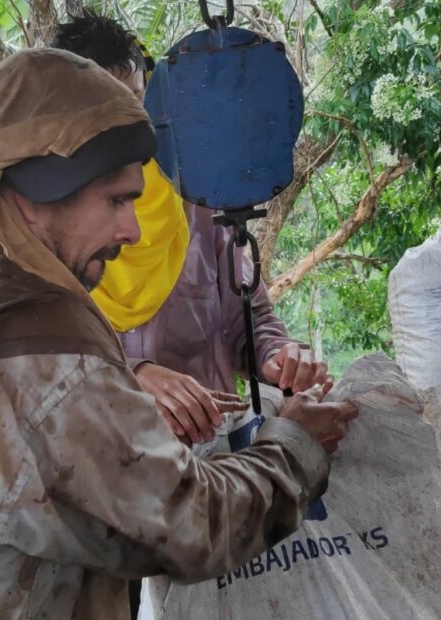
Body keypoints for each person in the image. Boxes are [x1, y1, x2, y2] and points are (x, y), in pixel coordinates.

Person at [0, 49, 357, 618]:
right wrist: (296, 445)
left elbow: (250, 321)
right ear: (31, 196)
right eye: (115, 201)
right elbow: (195, 526)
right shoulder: (43, 363)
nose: (132, 230)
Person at [50, 12, 330, 447]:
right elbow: (36, 363)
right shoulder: (36, 239)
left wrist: (278, 357)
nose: (129, 131)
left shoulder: (197, 201)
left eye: (136, 104)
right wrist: (132, 373)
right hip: (106, 466)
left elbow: (248, 319)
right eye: (104, 114)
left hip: (217, 457)